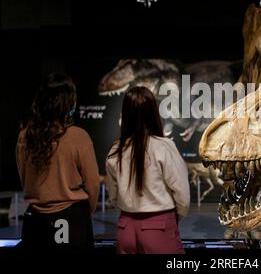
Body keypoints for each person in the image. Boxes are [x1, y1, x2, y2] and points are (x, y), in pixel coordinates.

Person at [16, 73, 100, 253]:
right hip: (72, 219)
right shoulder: (79, 136)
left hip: (36, 221)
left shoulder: (24, 136)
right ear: (68, 102)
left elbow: (24, 180)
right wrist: (83, 214)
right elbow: (93, 185)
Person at [106, 86, 190, 254]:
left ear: (126, 114)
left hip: (125, 229)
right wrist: (173, 219)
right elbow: (183, 197)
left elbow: (113, 197)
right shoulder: (164, 147)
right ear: (153, 112)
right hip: (159, 229)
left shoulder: (115, 151)